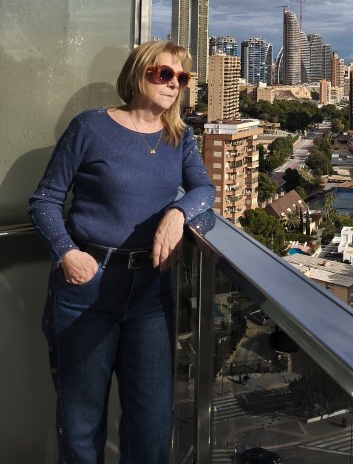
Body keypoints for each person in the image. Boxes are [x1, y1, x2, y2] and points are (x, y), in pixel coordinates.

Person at [29, 40, 215, 464]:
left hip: (151, 293)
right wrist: (66, 253)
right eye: (163, 73)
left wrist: (177, 214)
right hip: (87, 292)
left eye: (181, 77)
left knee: (152, 428)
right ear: (137, 74)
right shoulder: (90, 127)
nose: (174, 83)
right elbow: (44, 201)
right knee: (81, 430)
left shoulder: (180, 137)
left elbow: (204, 189)